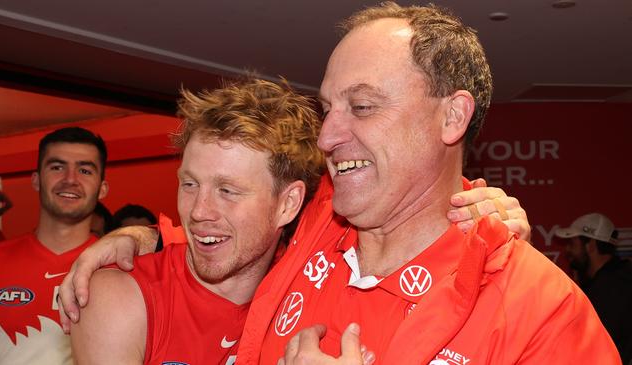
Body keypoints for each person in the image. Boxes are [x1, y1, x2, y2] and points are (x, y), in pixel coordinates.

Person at [234, 3, 618, 364]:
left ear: (452, 117)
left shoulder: (545, 311)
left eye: (363, 107)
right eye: (327, 109)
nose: (326, 138)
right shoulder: (303, 223)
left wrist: (492, 254)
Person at [70, 79, 326, 364]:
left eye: (227, 191)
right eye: (190, 184)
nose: (198, 211)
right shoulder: (123, 297)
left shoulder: (306, 295)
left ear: (288, 204)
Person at [0, 127, 108, 365]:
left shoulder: (121, 268)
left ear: (102, 188)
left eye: (84, 170)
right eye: (57, 167)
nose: (70, 179)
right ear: (36, 180)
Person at [556, 212, 632, 364]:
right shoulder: (616, 279)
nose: (568, 251)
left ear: (590, 245)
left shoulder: (610, 289)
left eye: (572, 244)